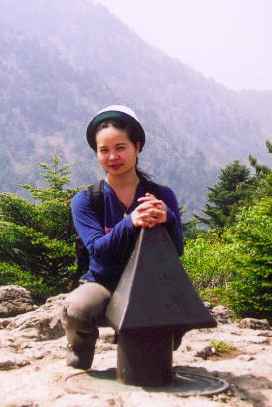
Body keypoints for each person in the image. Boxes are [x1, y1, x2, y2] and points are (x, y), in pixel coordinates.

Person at [61, 105, 184, 369]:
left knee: (159, 348)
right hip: (103, 282)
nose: (112, 156)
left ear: (137, 147)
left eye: (120, 147)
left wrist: (169, 218)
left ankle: (150, 339)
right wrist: (131, 222)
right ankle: (80, 347)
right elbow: (98, 250)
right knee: (76, 309)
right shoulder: (87, 200)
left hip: (150, 283)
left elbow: (177, 250)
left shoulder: (161, 196)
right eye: (104, 150)